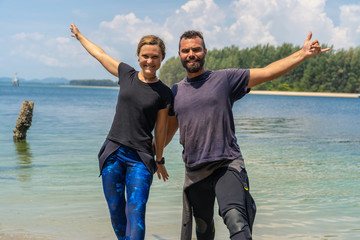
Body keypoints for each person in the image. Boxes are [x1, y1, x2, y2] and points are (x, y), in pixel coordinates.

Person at [165, 30, 330, 240]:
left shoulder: (224, 79)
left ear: (205, 51)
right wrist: (151, 156)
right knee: (203, 228)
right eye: (186, 50)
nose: (191, 54)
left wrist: (302, 53)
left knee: (236, 219)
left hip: (226, 164)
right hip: (195, 171)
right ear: (179, 54)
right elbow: (167, 132)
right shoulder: (176, 91)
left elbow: (268, 71)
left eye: (196, 49)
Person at [70, 23, 172, 240]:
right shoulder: (126, 74)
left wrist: (160, 160)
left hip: (140, 159)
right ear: (138, 56)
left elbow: (161, 130)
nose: (149, 61)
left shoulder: (164, 93)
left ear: (162, 58)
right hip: (113, 153)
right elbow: (100, 54)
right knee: (116, 212)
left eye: (155, 57)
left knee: (136, 213)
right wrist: (80, 37)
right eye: (145, 56)